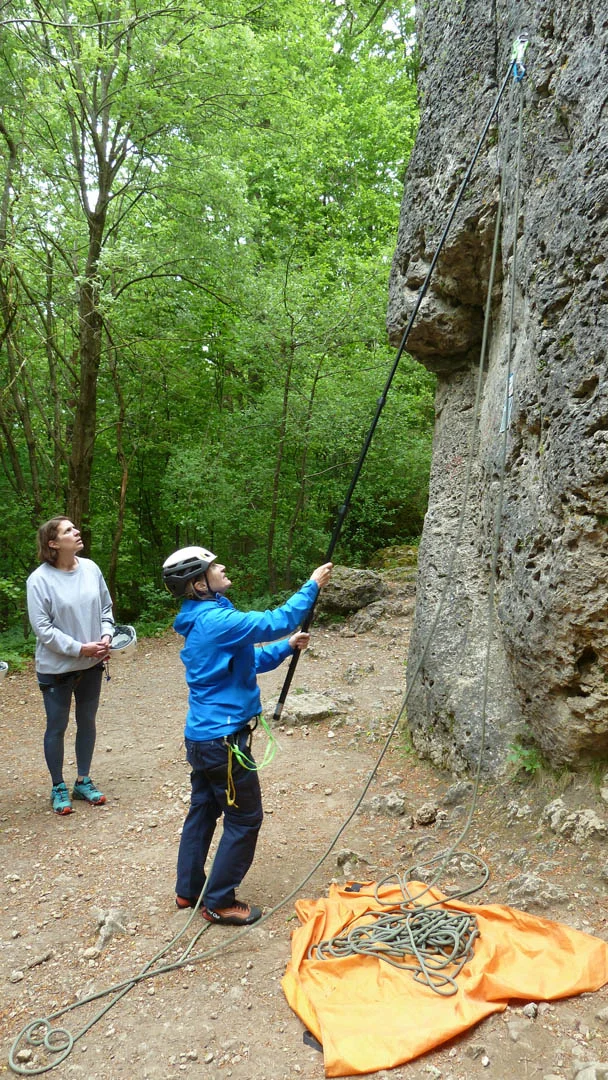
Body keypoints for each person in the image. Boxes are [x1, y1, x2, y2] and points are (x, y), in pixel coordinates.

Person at [162, 546, 333, 927]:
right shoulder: (215, 621)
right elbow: (279, 619)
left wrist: (284, 650)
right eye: (212, 566)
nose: (221, 567)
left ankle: (188, 889)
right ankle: (219, 902)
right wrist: (312, 586)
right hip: (224, 743)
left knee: (204, 811)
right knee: (244, 818)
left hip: (204, 740)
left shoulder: (203, 619)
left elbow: (247, 662)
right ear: (198, 583)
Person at [26, 517, 115, 815]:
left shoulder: (90, 568)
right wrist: (80, 648)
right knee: (57, 726)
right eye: (68, 531)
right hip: (56, 668)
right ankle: (57, 786)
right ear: (52, 543)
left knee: (87, 721)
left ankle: (83, 781)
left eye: (74, 528)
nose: (76, 532)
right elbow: (43, 629)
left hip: (92, 663)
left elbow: (105, 608)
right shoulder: (38, 580)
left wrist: (106, 636)